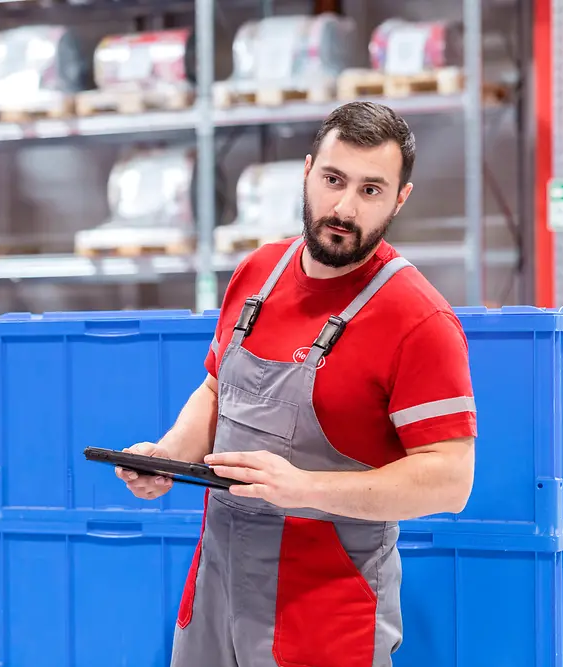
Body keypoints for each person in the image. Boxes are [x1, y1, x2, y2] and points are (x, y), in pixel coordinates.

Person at [116, 101, 476, 667]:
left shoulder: (419, 320)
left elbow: (450, 478)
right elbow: (216, 391)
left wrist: (302, 488)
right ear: (307, 172)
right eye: (333, 180)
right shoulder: (257, 272)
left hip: (326, 620)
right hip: (215, 596)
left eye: (371, 190)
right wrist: (168, 457)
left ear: (400, 198)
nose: (344, 206)